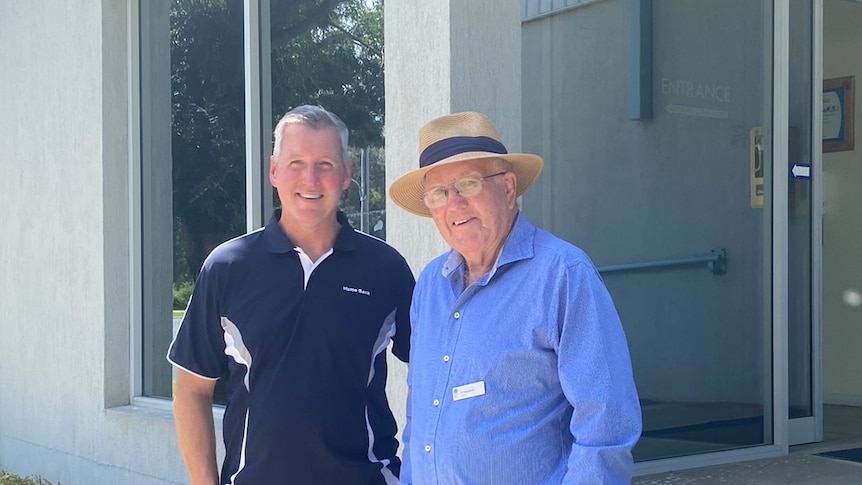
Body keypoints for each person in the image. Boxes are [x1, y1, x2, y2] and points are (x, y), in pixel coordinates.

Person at [388, 111, 642, 484]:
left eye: (468, 184)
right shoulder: (429, 286)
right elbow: (421, 417)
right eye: (439, 193)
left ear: (507, 188)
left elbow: (607, 427)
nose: (453, 204)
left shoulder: (562, 274)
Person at [167, 105, 414, 485]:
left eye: (326, 164)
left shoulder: (385, 270)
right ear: (273, 171)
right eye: (296, 162)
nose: (310, 179)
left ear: (347, 174)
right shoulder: (228, 268)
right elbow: (191, 390)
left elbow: (437, 374)